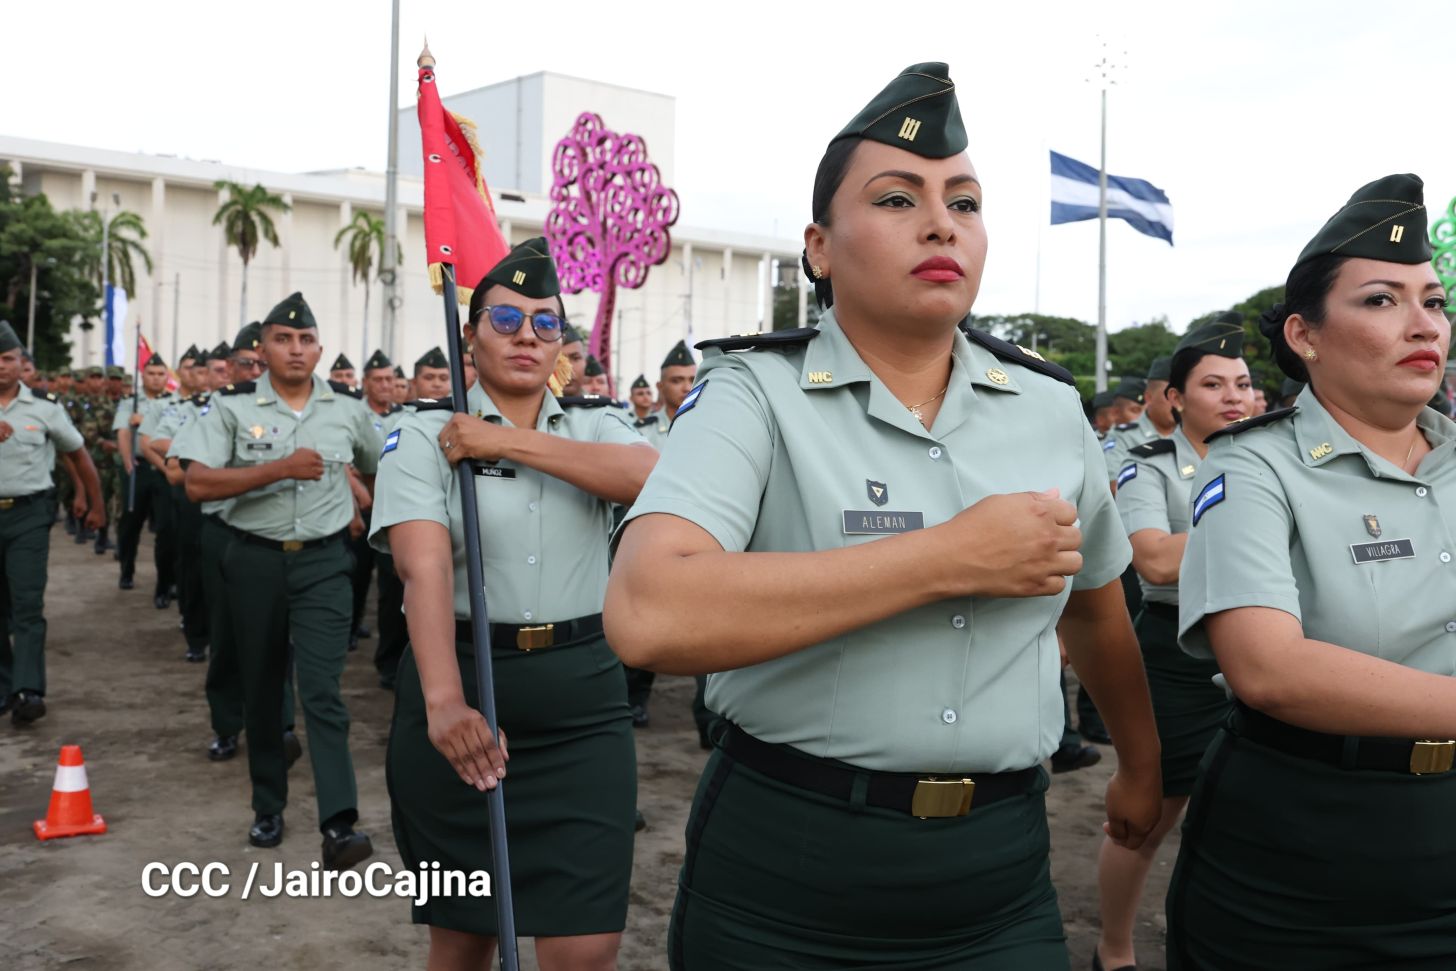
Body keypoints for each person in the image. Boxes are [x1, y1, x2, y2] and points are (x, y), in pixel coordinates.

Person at [606, 63, 1161, 969]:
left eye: (966, 202)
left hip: (1001, 877)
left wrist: (1141, 763)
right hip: (789, 869)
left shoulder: (1049, 408)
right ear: (819, 247)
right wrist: (947, 556)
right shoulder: (753, 393)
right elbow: (648, 612)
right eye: (899, 199)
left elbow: (1096, 606)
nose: (943, 222)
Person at [1165, 173, 1456, 968]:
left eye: (1433, 301)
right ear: (1305, 336)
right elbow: (1268, 668)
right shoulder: (1256, 467)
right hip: (1302, 851)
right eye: (1380, 300)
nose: (1422, 323)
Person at [370, 237, 656, 971]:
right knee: (466, 940)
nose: (526, 334)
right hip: (463, 691)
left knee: (585, 944)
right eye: (504, 318)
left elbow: (650, 476)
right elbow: (422, 566)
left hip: (582, 706)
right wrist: (443, 702)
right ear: (469, 334)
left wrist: (507, 443)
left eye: (545, 322)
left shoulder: (598, 425)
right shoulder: (423, 433)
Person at [181, 293, 381, 867]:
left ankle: (340, 822)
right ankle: (268, 803)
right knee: (264, 689)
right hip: (255, 560)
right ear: (262, 349)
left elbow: (376, 463)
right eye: (283, 340)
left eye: (306, 340)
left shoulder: (346, 408)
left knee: (322, 689)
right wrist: (277, 469)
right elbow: (197, 484)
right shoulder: (230, 406)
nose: (296, 349)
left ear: (319, 348)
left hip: (323, 563)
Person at [1093, 318, 1252, 971]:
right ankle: (1115, 949)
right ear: (1176, 397)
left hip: (1263, 644)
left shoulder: (1277, 459)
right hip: (1176, 653)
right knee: (1149, 815)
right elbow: (1154, 559)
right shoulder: (1148, 463)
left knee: (1251, 817)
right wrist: (1262, 536)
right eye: (1213, 383)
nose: (1235, 395)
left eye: (1244, 382)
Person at [0, 320, 105, 724]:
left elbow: (78, 455)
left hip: (28, 515)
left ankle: (28, 690)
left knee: (27, 604)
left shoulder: (45, 407)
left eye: (9, 359)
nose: (3, 366)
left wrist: (95, 504)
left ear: (21, 363)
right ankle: (3, 684)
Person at [113, 352, 180, 604]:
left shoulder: (175, 402)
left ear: (167, 376)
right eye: (151, 374)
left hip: (165, 471)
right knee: (130, 523)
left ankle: (165, 584)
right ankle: (126, 570)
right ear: (143, 375)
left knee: (166, 528)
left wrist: (145, 421)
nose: (155, 378)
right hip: (139, 469)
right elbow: (122, 431)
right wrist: (127, 459)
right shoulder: (131, 401)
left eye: (161, 374)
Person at [558, 322, 588, 395]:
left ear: (586, 362)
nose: (569, 369)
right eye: (558, 361)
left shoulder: (601, 405)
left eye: (575, 358)